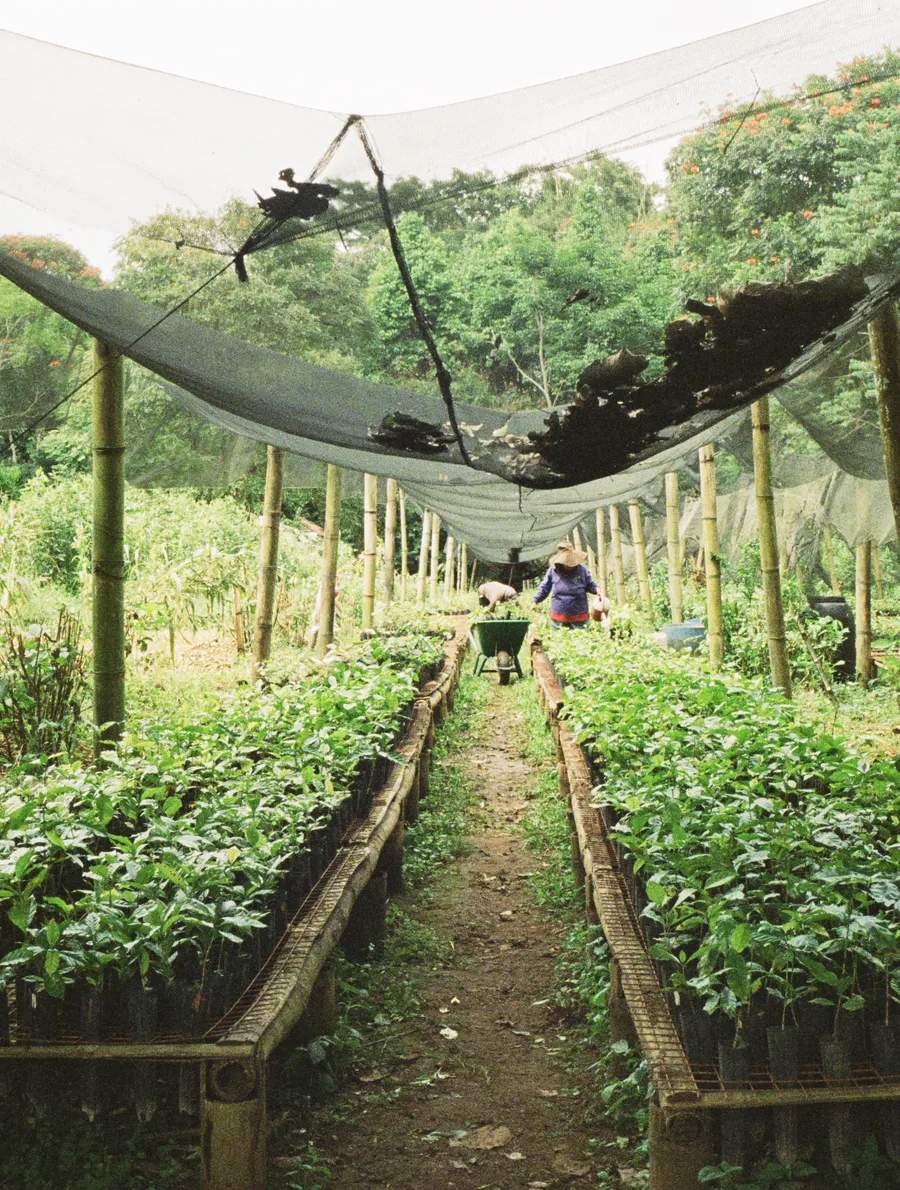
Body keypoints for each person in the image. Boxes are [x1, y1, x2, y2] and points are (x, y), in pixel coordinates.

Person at [533, 540, 599, 629]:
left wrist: (597, 589)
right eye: (567, 563)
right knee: (559, 639)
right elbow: (545, 587)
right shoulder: (553, 570)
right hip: (559, 616)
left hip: (580, 616)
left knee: (581, 639)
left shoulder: (582, 570)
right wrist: (535, 600)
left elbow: (590, 584)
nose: (570, 566)